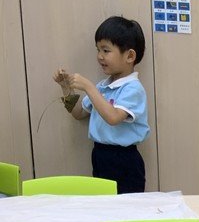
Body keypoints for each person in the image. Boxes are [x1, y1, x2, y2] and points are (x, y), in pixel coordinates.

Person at [53, 15, 150, 194]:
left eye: (106, 50)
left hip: (125, 160)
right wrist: (65, 87)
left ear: (129, 56)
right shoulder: (102, 87)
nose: (99, 56)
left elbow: (113, 118)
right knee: (103, 205)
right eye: (98, 50)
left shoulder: (133, 88)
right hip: (100, 155)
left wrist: (89, 87)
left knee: (127, 208)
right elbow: (78, 113)